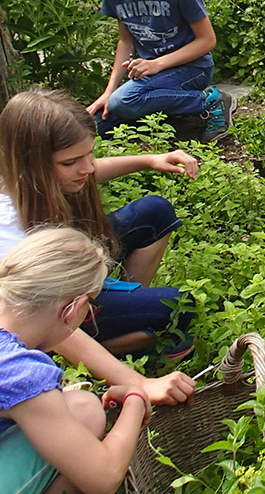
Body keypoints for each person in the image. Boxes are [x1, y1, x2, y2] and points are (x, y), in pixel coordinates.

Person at [0, 227, 196, 494]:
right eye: (90, 304)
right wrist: (135, 400)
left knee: (81, 406)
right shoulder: (22, 372)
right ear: (74, 308)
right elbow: (103, 478)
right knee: (86, 414)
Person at [0, 87, 197, 358]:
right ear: (32, 164)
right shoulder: (9, 231)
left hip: (76, 277)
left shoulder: (30, 181)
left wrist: (150, 160)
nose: (88, 168)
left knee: (155, 212)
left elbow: (91, 168)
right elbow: (37, 316)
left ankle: (130, 306)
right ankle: (70, 353)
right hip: (56, 312)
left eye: (88, 155)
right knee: (178, 306)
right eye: (71, 162)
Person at [84, 0, 234, 142]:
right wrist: (108, 91)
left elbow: (207, 40)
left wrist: (156, 64)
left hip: (191, 69)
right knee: (97, 125)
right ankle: (159, 110)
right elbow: (125, 41)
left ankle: (210, 101)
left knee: (123, 102)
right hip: (150, 74)